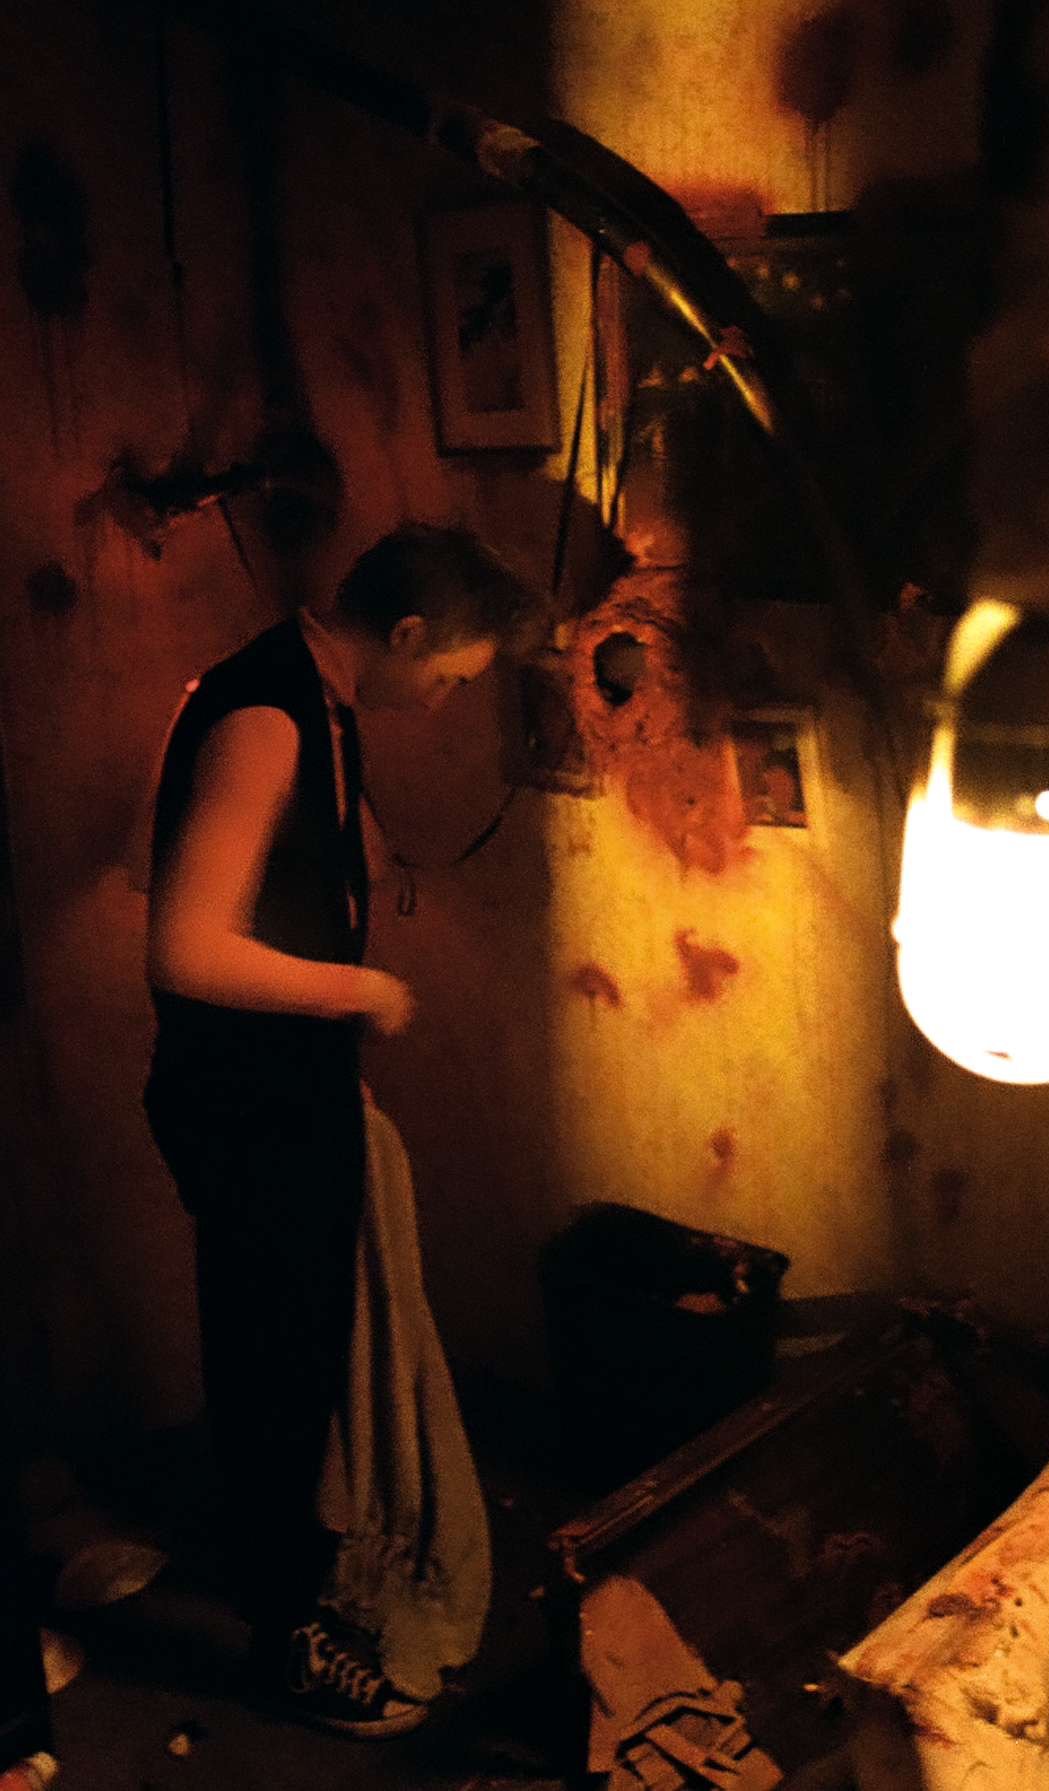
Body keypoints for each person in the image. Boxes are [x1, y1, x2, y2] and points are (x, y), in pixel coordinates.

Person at [142, 522, 527, 1737]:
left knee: (301, 1357)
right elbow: (186, 947)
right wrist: (357, 996)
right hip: (241, 1101)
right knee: (268, 1368)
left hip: (288, 1086)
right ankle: (282, 1643)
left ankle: (301, 1582)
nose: (451, 698)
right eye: (454, 674)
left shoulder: (329, 699)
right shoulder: (265, 715)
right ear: (405, 633)